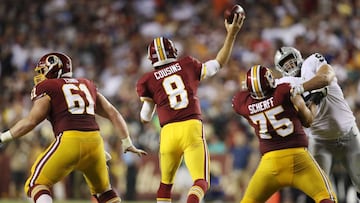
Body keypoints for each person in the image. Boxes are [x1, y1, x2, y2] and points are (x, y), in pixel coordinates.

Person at [0, 52, 147, 203]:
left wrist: (3, 137)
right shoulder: (87, 84)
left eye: (43, 70)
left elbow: (31, 121)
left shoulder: (48, 86)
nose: (41, 75)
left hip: (69, 140)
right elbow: (113, 113)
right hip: (95, 142)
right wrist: (127, 142)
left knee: (35, 184)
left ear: (54, 68)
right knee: (104, 192)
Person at [136, 12, 245, 203]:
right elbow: (218, 63)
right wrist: (231, 34)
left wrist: (155, 102)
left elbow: (145, 116)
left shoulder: (148, 80)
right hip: (191, 127)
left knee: (165, 185)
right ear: (172, 52)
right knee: (201, 181)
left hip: (168, 132)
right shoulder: (187, 64)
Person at [232, 65, 337, 203]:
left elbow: (244, 95)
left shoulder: (241, 103)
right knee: (326, 197)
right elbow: (308, 121)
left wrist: (251, 88)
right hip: (298, 158)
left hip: (269, 163)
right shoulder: (283, 92)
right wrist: (314, 103)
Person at [274, 46, 360, 202]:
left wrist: (300, 88)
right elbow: (306, 120)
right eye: (284, 63)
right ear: (280, 68)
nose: (289, 64)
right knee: (319, 194)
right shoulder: (284, 84)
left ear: (298, 56)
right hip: (319, 141)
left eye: (290, 59)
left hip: (348, 133)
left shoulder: (312, 61)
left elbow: (326, 77)